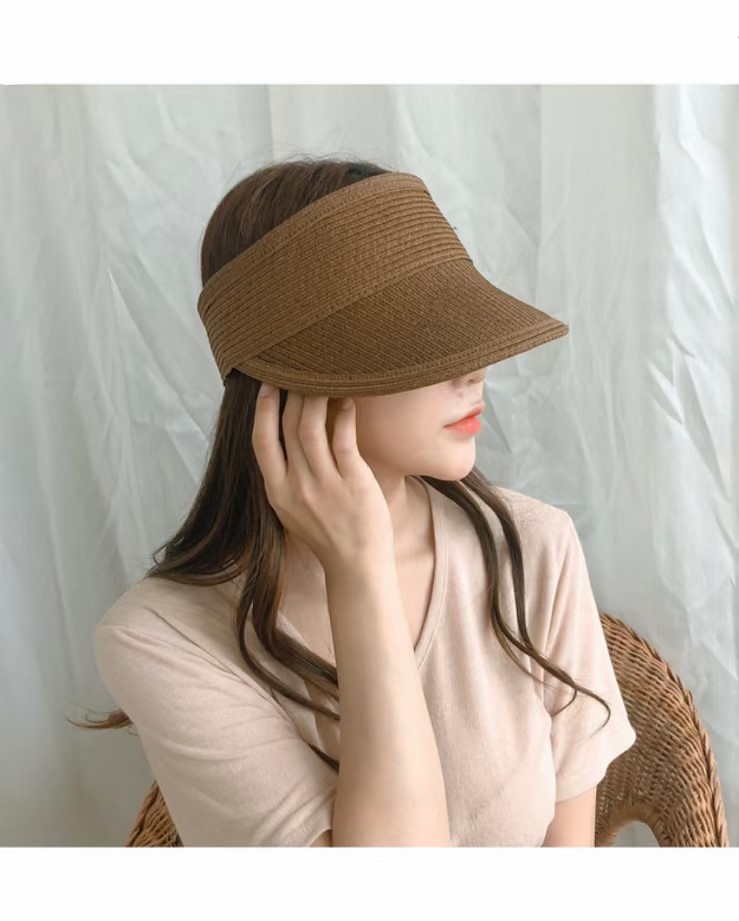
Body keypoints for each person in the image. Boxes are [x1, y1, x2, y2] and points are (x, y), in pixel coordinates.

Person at [78, 156, 637, 846]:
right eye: (420, 337)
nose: (475, 368)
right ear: (294, 383)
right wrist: (359, 572)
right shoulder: (162, 638)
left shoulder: (533, 546)